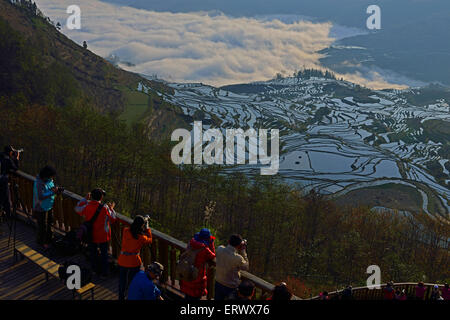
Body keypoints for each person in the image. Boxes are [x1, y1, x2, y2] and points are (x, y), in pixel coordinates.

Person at [75, 188, 116, 278]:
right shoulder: (105, 208)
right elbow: (113, 219)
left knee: (93, 252)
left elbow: (77, 208)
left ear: (91, 197)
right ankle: (104, 273)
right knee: (104, 254)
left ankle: (95, 270)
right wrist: (111, 209)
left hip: (91, 234)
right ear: (101, 198)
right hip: (103, 236)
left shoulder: (87, 205)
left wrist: (85, 199)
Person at [117, 215, 153, 300]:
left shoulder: (125, 231)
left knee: (122, 282)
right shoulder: (141, 238)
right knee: (132, 282)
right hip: (134, 262)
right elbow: (150, 240)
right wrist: (147, 228)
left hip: (122, 260)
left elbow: (132, 231)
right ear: (141, 226)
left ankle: (121, 297)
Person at [180, 228, 216, 300]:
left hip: (187, 273)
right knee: (195, 297)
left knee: (187, 296)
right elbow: (213, 256)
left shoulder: (191, 243)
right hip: (197, 278)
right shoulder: (205, 249)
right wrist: (211, 244)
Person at [33, 165, 62, 249]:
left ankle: (49, 239)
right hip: (41, 207)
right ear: (47, 175)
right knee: (43, 226)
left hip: (49, 205)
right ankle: (42, 242)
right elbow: (41, 196)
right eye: (51, 176)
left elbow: (51, 187)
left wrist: (56, 190)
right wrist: (53, 192)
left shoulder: (49, 180)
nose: (52, 178)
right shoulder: (39, 182)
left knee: (50, 223)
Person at [214, 234, 249, 301]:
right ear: (239, 245)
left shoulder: (219, 249)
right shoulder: (238, 258)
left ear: (228, 241)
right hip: (230, 287)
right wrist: (243, 251)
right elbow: (246, 267)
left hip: (218, 282)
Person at [0, 146, 20, 219]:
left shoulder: (1, 156)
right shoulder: (8, 160)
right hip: (3, 181)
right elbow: (16, 168)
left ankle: (4, 213)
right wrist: (17, 158)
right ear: (10, 152)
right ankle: (8, 215)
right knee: (6, 197)